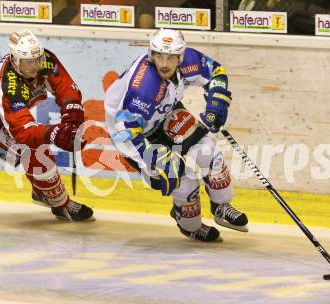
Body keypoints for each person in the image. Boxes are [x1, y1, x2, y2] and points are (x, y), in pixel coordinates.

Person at [104, 28, 249, 242]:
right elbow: (123, 131)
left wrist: (215, 105)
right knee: (181, 178)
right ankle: (190, 225)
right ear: (151, 55)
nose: (164, 63)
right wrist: (150, 160)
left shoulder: (189, 60)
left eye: (171, 57)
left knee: (208, 149)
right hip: (133, 134)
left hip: (165, 112)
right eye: (159, 56)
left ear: (180, 56)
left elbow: (216, 72)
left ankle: (221, 206)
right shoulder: (144, 87)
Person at [0, 29, 94, 221]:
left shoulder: (45, 59)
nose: (34, 67)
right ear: (14, 59)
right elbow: (23, 132)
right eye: (28, 62)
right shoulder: (8, 87)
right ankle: (60, 204)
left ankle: (42, 191)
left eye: (37, 60)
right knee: (34, 152)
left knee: (36, 150)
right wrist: (55, 133)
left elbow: (66, 87)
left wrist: (72, 120)